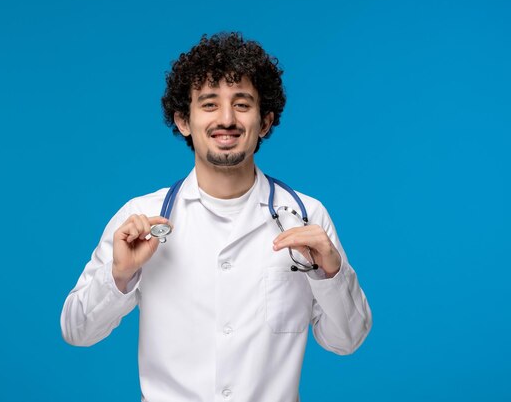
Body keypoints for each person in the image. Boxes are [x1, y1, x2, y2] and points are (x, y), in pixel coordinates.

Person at [61, 32, 372, 402]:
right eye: (209, 104)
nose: (226, 119)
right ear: (183, 121)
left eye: (242, 104)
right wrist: (120, 276)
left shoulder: (306, 218)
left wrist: (331, 274)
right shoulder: (141, 216)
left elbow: (347, 340)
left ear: (266, 121)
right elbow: (77, 331)